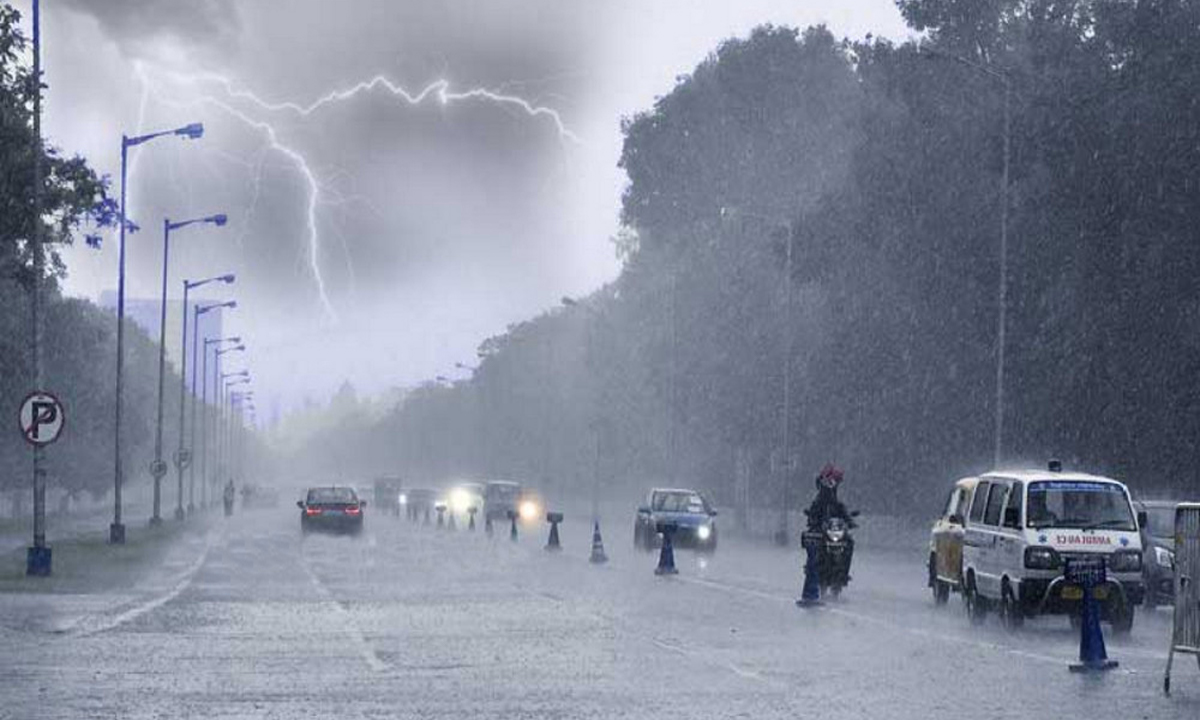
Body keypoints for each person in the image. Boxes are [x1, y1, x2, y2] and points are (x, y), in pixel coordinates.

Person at [805, 463, 853, 530]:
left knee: (847, 538)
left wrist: (848, 520)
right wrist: (813, 519)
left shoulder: (837, 502)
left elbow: (840, 509)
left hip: (834, 529)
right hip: (820, 528)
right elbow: (814, 511)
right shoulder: (820, 501)